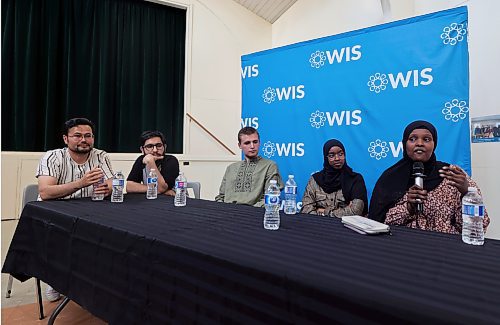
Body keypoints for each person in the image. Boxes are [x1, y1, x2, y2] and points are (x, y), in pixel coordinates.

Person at [36, 117, 114, 301]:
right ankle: (55, 279)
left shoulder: (101, 156)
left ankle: (97, 279)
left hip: (89, 210)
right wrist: (81, 183)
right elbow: (45, 192)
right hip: (55, 211)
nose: (83, 140)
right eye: (77, 135)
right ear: (66, 139)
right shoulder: (53, 157)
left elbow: (111, 184)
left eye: (88, 136)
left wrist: (108, 188)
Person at [368, 120, 490, 233]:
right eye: (413, 139)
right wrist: (408, 208)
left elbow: (478, 228)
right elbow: (377, 225)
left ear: (434, 144)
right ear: (404, 144)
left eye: (426, 139)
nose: (419, 143)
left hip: (446, 249)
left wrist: (466, 193)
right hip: (403, 248)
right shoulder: (390, 178)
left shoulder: (452, 174)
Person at [215, 127, 283, 207]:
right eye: (247, 143)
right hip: (227, 212)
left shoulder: (270, 166)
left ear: (259, 143)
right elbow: (221, 196)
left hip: (254, 214)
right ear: (239, 145)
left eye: (255, 142)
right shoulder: (231, 168)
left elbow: (271, 198)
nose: (252, 146)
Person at [301, 139, 368, 217]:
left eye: (340, 154)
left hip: (346, 226)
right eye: (332, 155)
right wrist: (344, 210)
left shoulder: (355, 179)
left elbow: (355, 211)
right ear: (326, 158)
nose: (337, 158)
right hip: (319, 225)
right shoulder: (315, 179)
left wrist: (324, 212)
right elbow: (306, 209)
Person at [126, 130, 179, 196]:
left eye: (159, 146)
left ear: (165, 147)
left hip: (174, 201)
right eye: (149, 146)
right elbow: (128, 186)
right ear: (142, 149)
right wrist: (152, 189)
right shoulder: (141, 160)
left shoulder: (171, 160)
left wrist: (150, 162)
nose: (155, 150)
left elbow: (161, 188)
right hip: (151, 200)